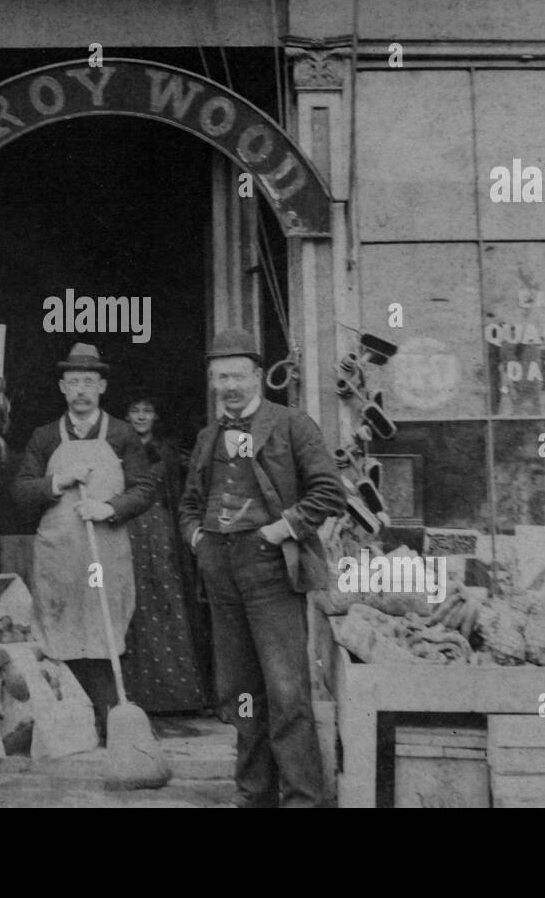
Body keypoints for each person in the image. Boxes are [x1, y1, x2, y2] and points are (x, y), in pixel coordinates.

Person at [180, 328, 346, 808]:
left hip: (272, 571)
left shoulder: (293, 425)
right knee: (239, 691)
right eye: (219, 377)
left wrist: (280, 529)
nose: (229, 386)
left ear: (257, 376)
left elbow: (329, 492)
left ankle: (302, 799)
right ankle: (254, 795)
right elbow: (190, 504)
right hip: (221, 571)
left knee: (286, 689)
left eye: (237, 375)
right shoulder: (208, 436)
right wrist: (198, 539)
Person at [10, 343, 157, 743]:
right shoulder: (44, 438)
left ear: (102, 386)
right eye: (73, 382)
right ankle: (72, 727)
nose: (80, 390)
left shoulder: (124, 436)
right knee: (62, 632)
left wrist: (108, 508)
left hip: (105, 548)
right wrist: (59, 481)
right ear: (62, 387)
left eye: (88, 382)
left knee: (106, 633)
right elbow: (21, 491)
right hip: (59, 552)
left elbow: (145, 489)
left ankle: (111, 726)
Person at [119, 390, 211, 713]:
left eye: (147, 410)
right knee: (131, 605)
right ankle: (133, 694)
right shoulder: (116, 447)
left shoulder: (168, 451)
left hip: (160, 533)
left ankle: (176, 694)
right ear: (127, 415)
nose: (141, 416)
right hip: (126, 530)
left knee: (167, 600)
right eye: (135, 410)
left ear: (156, 417)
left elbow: (196, 477)